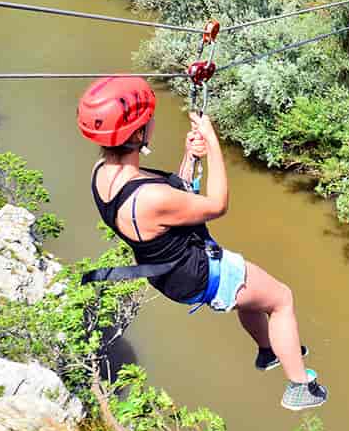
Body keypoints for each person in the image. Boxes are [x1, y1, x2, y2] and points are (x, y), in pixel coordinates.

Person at [77, 76, 327, 410]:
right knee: (281, 299)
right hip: (200, 273)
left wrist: (191, 157)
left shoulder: (102, 173)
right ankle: (300, 388)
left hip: (170, 274)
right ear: (138, 134)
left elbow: (172, 198)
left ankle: (268, 351)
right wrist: (212, 144)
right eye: (148, 121)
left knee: (251, 297)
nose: (152, 123)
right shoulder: (148, 198)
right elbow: (216, 205)